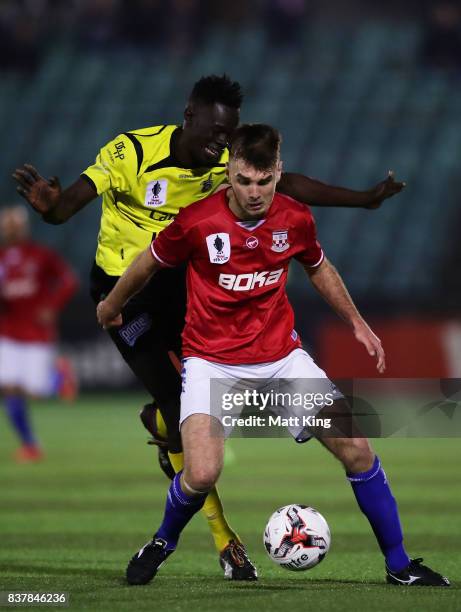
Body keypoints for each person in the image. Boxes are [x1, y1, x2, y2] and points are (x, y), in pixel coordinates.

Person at [13, 74, 404, 578]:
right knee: (180, 414)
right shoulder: (130, 153)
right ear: (189, 116)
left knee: (193, 417)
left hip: (180, 284)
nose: (221, 144)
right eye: (215, 132)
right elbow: (68, 206)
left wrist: (363, 199)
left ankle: (187, 426)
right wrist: (52, 211)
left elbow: (291, 186)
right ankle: (225, 541)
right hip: (125, 293)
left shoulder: (232, 166)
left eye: (229, 135)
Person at [97, 123, 450, 588]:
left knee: (359, 452)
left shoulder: (295, 218)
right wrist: (112, 304)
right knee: (201, 472)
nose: (255, 192)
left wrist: (357, 322)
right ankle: (163, 542)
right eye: (244, 181)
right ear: (230, 172)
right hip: (212, 362)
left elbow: (318, 268)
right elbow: (148, 261)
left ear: (278, 172)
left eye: (264, 181)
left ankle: (400, 566)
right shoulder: (198, 221)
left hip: (283, 359)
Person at [0, 205, 78, 461]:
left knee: (36, 392)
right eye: (7, 225)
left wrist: (52, 307)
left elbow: (69, 280)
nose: (10, 229)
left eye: (15, 225)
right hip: (8, 332)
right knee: (8, 387)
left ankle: (58, 375)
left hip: (36, 333)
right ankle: (30, 444)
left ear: (24, 227)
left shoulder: (41, 255)